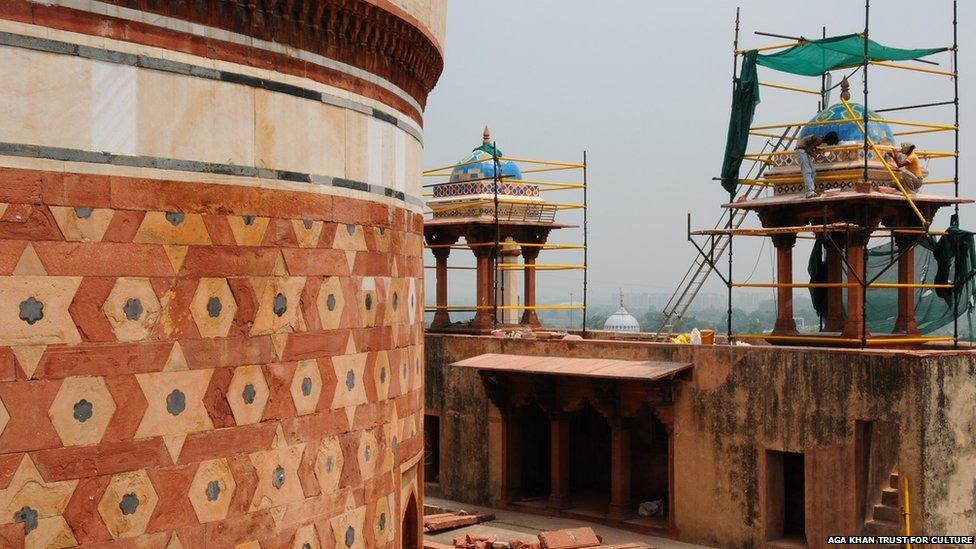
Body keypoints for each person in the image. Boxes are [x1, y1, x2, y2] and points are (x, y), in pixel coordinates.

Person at [794, 131, 839, 198]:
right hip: (801, 150)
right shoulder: (819, 140)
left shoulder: (819, 139)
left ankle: (812, 190)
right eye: (832, 142)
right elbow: (808, 150)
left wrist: (816, 151)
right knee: (807, 171)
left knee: (813, 171)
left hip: (803, 150)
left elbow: (810, 146)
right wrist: (816, 157)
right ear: (829, 140)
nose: (831, 144)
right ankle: (809, 192)